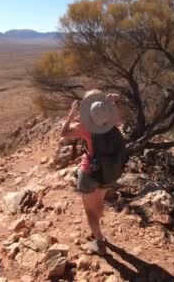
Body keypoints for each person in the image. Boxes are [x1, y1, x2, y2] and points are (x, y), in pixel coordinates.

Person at [60, 89, 123, 255]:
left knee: (89, 209)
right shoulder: (112, 121)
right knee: (99, 202)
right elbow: (117, 117)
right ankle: (96, 229)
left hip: (90, 171)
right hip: (109, 170)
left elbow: (64, 134)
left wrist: (71, 115)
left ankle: (99, 242)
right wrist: (111, 103)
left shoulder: (84, 126)